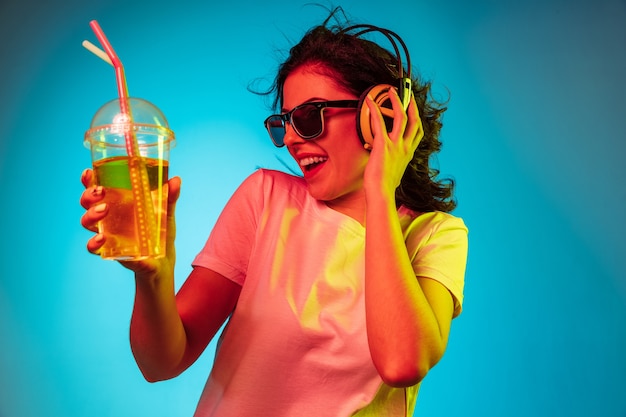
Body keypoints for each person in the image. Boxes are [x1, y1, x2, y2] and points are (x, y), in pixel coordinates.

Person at [80, 9, 468, 417]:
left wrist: (379, 189)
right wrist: (152, 276)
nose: (294, 140)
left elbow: (401, 363)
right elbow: (159, 363)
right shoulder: (265, 200)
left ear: (381, 116)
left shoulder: (435, 236)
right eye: (285, 122)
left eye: (309, 117)